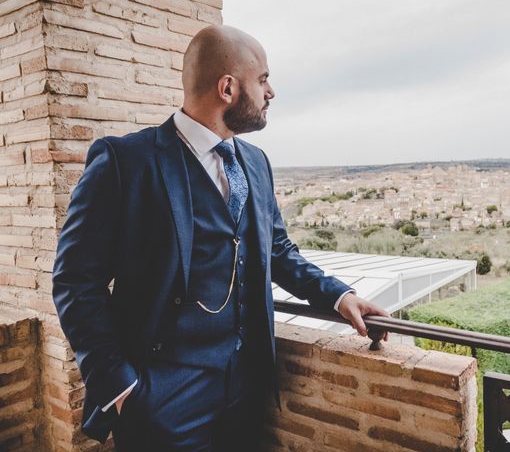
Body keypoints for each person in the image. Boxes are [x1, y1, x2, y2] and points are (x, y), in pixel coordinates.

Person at [52, 24, 390, 451]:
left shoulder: (255, 161)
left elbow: (278, 251)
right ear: (227, 88)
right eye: (263, 79)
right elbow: (75, 282)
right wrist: (121, 389)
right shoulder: (125, 161)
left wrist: (340, 297)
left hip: (246, 388)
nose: (272, 92)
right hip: (160, 397)